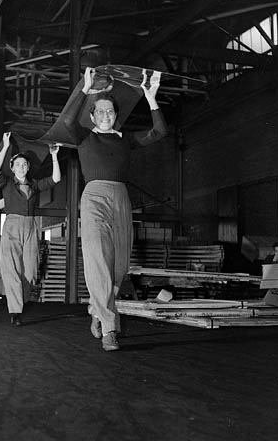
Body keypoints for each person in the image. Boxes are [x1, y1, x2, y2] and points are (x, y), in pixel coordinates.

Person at [64, 66, 168, 351]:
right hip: (94, 198)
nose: (106, 115)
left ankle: (97, 311)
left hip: (121, 200)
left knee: (118, 268)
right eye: (100, 111)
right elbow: (67, 122)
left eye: (110, 111)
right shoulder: (84, 137)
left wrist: (151, 96)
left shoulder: (126, 140)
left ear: (116, 115)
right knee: (99, 261)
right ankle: (110, 328)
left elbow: (159, 131)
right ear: (93, 115)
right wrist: (85, 89)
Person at [0, 132, 61, 326]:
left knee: (29, 270)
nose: (21, 167)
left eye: (24, 164)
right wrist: (5, 146)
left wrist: (54, 155)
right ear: (12, 168)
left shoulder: (35, 185)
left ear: (28, 167)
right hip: (12, 225)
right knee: (11, 268)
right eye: (18, 165)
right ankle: (15, 311)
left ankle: (21, 301)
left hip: (31, 226)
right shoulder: (6, 183)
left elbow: (55, 178)